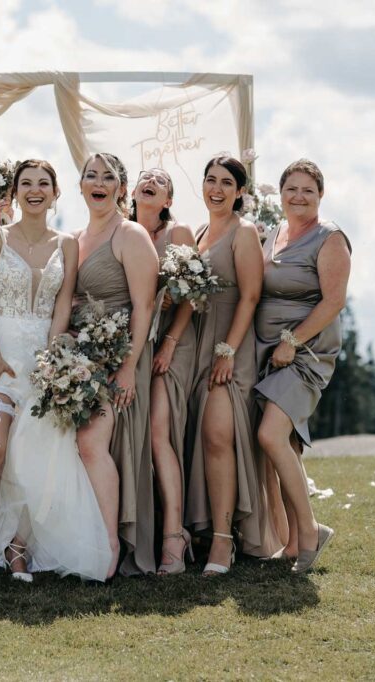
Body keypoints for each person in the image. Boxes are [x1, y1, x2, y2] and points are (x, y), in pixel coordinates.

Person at [0, 159, 111, 587]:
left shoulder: (67, 243)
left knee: (39, 457)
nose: (35, 190)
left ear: (55, 193)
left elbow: (62, 306)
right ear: (14, 193)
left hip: (42, 365)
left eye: (44, 184)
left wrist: (55, 361)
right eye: (26, 184)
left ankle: (17, 547)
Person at [254, 158, 352, 573]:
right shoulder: (273, 234)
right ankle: (294, 542)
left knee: (270, 435)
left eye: (308, 190)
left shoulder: (329, 238)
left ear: (320, 196)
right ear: (280, 194)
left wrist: (293, 342)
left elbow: (333, 301)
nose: (299, 197)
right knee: (289, 442)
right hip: (267, 351)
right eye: (291, 189)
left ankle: (309, 530)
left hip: (305, 353)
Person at [186, 154, 281, 577]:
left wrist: (228, 349)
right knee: (200, 438)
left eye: (226, 182)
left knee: (218, 435)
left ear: (240, 191)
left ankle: (224, 540)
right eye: (211, 180)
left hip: (232, 344)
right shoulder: (202, 233)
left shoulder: (243, 233)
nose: (217, 189)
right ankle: (206, 531)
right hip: (199, 342)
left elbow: (250, 296)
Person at [72, 153, 158, 577]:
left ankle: (109, 545)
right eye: (91, 175)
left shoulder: (131, 235)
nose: (99, 182)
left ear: (121, 188)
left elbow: (144, 305)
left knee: (90, 444)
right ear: (81, 185)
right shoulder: (76, 236)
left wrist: (128, 366)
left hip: (120, 355)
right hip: (79, 358)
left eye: (108, 177)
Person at [130, 168, 197, 575]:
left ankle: (175, 534)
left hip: (172, 343)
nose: (150, 180)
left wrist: (170, 342)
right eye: (144, 176)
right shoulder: (119, 230)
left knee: (157, 432)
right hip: (134, 345)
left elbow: (192, 294)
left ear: (167, 200)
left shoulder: (179, 234)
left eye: (161, 180)